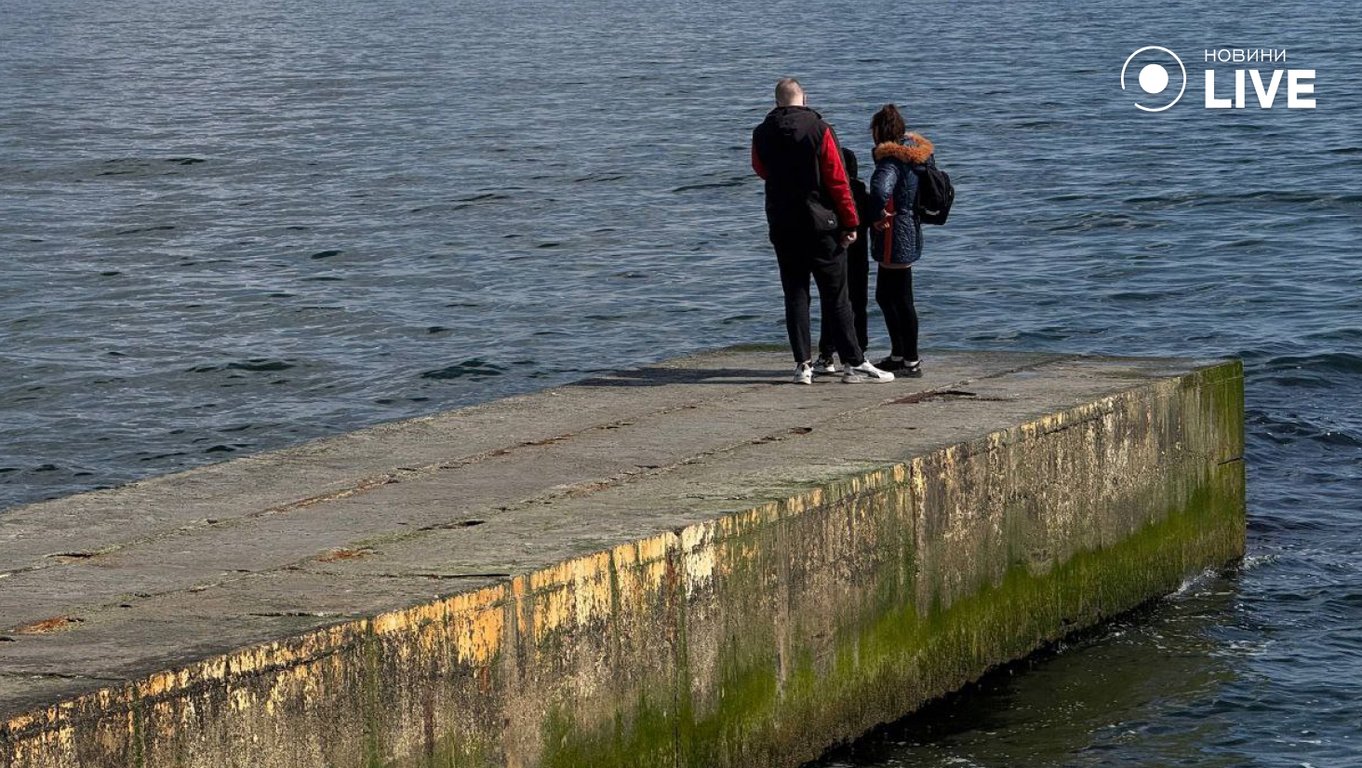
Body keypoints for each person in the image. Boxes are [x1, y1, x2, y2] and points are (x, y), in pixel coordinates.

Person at [751, 78, 894, 385]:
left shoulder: (761, 133)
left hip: (782, 222)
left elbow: (760, 169)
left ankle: (802, 365)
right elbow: (837, 178)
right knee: (836, 296)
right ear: (805, 98)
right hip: (820, 224)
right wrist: (851, 222)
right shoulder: (820, 129)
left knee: (796, 295)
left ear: (776, 102)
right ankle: (853, 361)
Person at [867, 104, 935, 377]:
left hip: (894, 231)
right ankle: (902, 355)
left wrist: (875, 214)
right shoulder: (917, 158)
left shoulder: (891, 160)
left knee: (895, 298)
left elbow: (880, 189)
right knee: (893, 296)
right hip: (911, 227)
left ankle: (909, 359)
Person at [813, 146, 873, 376]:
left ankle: (827, 355)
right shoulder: (862, 194)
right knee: (859, 304)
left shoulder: (829, 196)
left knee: (833, 304)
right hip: (860, 259)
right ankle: (859, 353)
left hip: (836, 255)